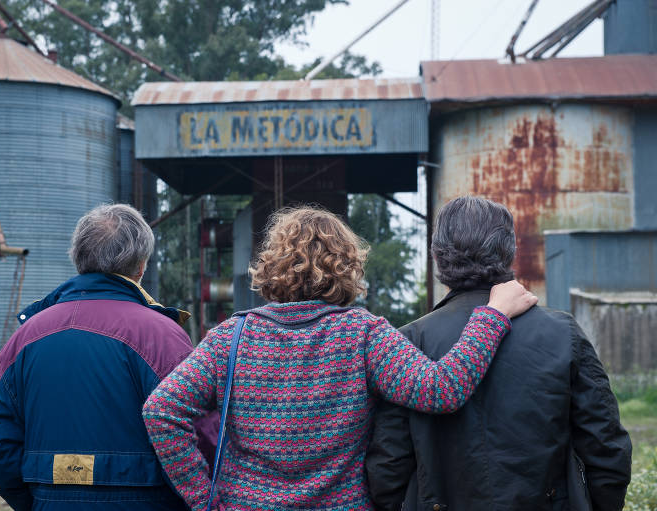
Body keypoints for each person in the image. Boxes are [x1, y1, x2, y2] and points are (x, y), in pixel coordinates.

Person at [142, 206, 536, 511]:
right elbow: (440, 390)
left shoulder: (231, 337)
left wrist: (204, 499)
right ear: (347, 265)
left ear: (271, 264)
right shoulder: (363, 334)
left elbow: (161, 411)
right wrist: (493, 315)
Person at [366, 196, 632, 511]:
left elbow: (388, 464)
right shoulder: (564, 333)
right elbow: (606, 448)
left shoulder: (407, 342)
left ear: (437, 256)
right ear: (509, 252)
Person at [0, 204, 217, 510]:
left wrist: (36, 500)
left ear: (79, 259)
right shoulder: (162, 336)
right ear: (141, 266)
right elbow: (201, 439)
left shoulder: (25, 338)